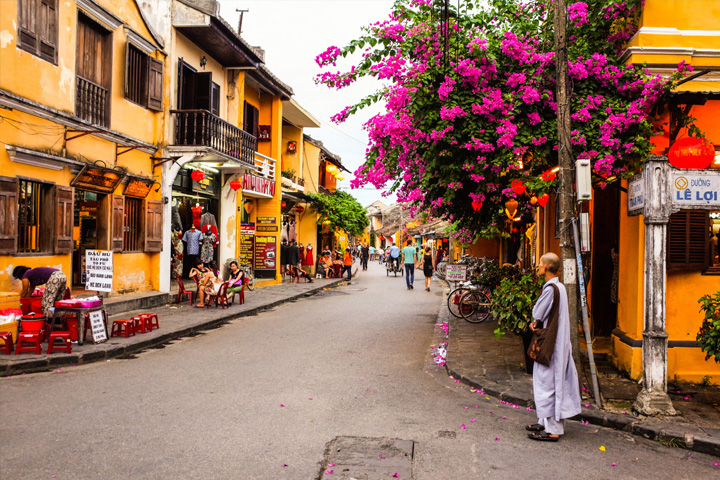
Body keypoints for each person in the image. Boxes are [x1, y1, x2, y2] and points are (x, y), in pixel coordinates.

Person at [526, 252, 582, 442]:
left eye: (540, 263)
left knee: (547, 384)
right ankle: (545, 422)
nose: (538, 266)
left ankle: (553, 429)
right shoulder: (560, 287)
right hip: (558, 342)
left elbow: (538, 311)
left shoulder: (551, 289)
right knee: (550, 382)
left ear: (546, 267)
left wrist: (535, 320)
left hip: (551, 346)